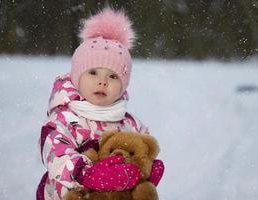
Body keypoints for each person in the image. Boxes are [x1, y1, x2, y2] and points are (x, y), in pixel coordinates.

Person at [36, 7, 164, 200]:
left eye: (112, 76)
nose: (102, 82)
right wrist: (89, 175)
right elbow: (56, 156)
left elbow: (143, 150)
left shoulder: (129, 124)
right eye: (93, 72)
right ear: (77, 77)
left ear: (123, 86)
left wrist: (145, 170)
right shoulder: (63, 119)